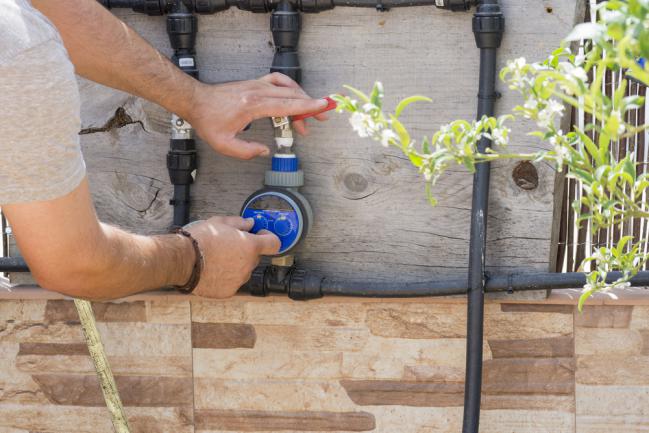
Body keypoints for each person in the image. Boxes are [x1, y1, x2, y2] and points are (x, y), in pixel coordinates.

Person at [0, 0, 329, 300]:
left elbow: (52, 8)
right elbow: (74, 264)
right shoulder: (18, 57)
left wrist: (195, 100)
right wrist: (193, 259)